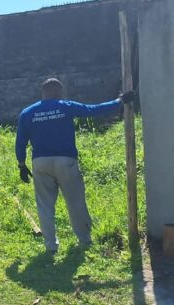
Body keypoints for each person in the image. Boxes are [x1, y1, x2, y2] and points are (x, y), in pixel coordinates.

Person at [15, 78, 135, 253]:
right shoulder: (65, 106)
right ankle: (84, 240)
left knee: (45, 205)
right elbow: (92, 110)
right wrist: (119, 101)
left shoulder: (27, 112)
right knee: (76, 202)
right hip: (65, 161)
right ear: (57, 91)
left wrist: (21, 164)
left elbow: (20, 142)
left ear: (43, 92)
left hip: (40, 162)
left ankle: (51, 246)